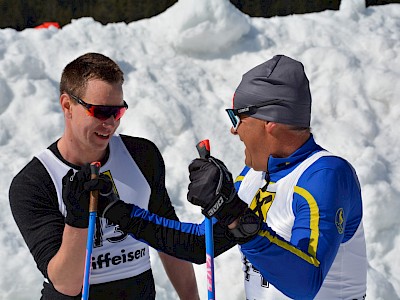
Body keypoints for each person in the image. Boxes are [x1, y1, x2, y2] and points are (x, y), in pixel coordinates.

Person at [55, 54, 368, 300]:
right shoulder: (256, 179)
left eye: (237, 116)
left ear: (269, 122)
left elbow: (305, 282)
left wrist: (234, 214)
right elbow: (198, 245)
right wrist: (119, 211)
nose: (233, 129)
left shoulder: (326, 175)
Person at [9, 52, 200, 300]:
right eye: (100, 112)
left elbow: (169, 240)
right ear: (67, 105)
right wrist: (78, 220)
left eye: (117, 112)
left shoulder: (141, 156)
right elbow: (67, 283)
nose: (110, 123)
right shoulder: (35, 182)